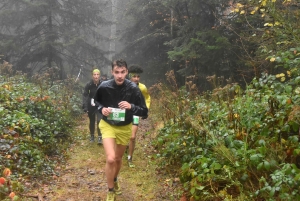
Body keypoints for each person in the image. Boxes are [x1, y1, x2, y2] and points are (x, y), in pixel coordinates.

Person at [93, 59, 148, 201]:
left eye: (122, 72)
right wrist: (102, 109)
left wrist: (131, 107)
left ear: (127, 72)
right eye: (116, 72)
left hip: (124, 127)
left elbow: (144, 112)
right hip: (108, 125)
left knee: (118, 158)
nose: (119, 76)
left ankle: (115, 179)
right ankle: (110, 190)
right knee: (110, 159)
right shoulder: (104, 86)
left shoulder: (134, 89)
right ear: (112, 72)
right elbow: (95, 102)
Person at [127, 65, 151, 168]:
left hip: (135, 113)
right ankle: (123, 150)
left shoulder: (142, 87)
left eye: (138, 77)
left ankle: (129, 157)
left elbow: (147, 98)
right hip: (124, 113)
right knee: (123, 136)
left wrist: (145, 110)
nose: (136, 78)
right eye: (134, 76)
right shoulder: (124, 86)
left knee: (132, 137)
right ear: (129, 76)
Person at [82, 68, 103, 144]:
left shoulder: (102, 84)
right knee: (92, 121)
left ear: (99, 75)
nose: (96, 76)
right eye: (94, 74)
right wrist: (85, 106)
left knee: (99, 121)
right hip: (91, 105)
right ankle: (92, 136)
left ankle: (100, 137)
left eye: (97, 74)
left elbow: (106, 95)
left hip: (99, 105)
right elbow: (85, 95)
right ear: (92, 76)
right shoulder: (89, 84)